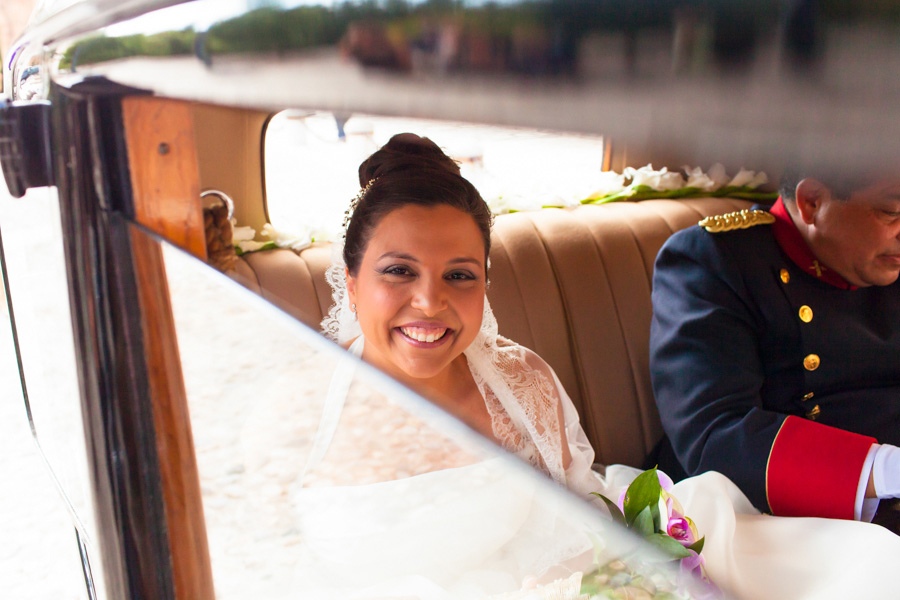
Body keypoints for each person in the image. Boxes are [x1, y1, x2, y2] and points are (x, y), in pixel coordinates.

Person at [295, 135, 900, 599]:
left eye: (459, 275)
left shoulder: (522, 385)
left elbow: (576, 531)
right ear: (349, 281)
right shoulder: (295, 409)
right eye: (398, 271)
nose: (430, 302)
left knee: (871, 567)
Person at [650, 168, 900, 530]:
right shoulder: (715, 259)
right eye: (892, 213)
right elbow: (714, 432)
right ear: (812, 202)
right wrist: (884, 470)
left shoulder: (884, 257)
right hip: (778, 515)